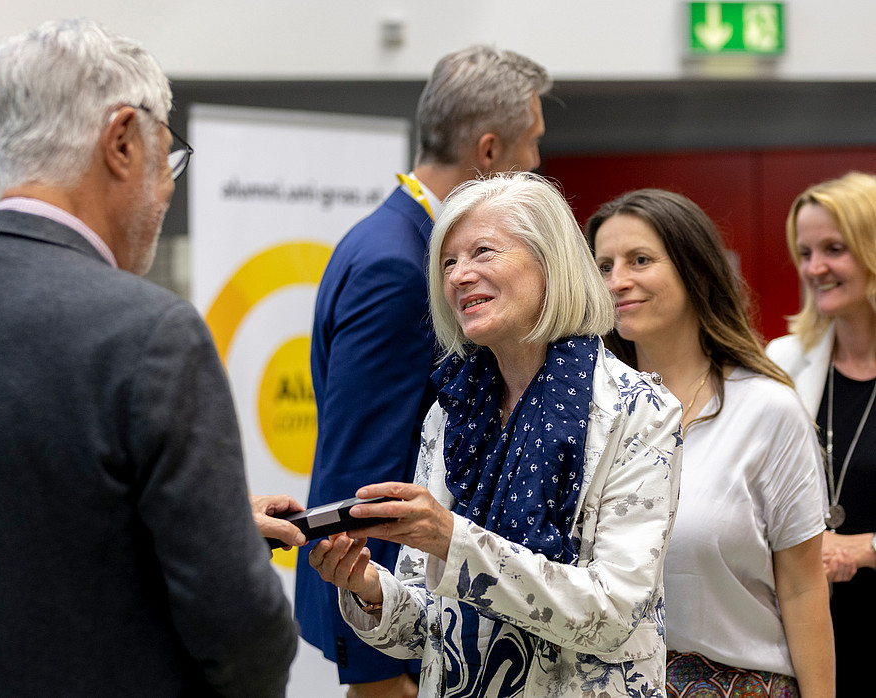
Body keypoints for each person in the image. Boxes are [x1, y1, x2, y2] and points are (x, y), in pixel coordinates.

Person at [0, 19, 298, 697]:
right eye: (169, 155)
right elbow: (244, 634)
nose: (167, 189)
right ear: (124, 141)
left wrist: (202, 523)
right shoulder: (151, 335)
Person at [309, 172, 684, 697]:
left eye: (482, 252)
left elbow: (613, 612)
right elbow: (430, 626)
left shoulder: (637, 409)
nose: (460, 275)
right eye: (448, 262)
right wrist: (370, 588)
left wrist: (453, 541)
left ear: (550, 263)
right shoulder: (452, 411)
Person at [297, 45, 551, 698]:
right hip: (390, 625)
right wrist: (377, 668)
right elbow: (362, 470)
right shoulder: (399, 268)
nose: (537, 167)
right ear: (489, 153)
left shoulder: (392, 242)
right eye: (532, 146)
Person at [587, 189, 834, 697]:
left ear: (696, 269)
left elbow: (804, 588)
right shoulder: (587, 415)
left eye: (640, 260)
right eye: (604, 266)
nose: (618, 281)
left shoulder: (767, 410)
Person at [766, 171, 876, 695]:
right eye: (805, 252)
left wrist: (863, 548)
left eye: (834, 249)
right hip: (813, 635)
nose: (815, 268)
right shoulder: (782, 361)